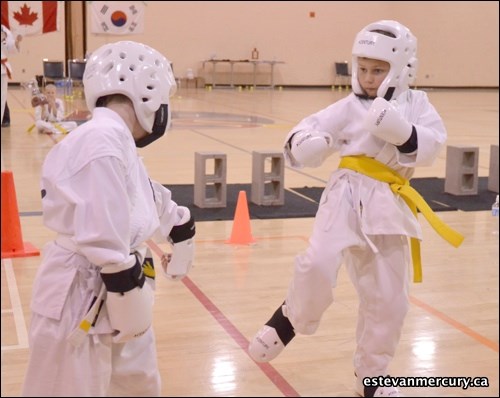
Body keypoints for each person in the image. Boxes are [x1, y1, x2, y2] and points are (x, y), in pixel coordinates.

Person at [248, 20, 464, 397]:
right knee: (316, 263)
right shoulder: (349, 106)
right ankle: (289, 318)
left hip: (391, 203)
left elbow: (433, 144)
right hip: (346, 195)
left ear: (401, 68)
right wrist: (304, 144)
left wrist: (404, 132)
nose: (367, 77)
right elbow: (309, 128)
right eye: (362, 68)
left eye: (377, 70)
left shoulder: (417, 104)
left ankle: (373, 378)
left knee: (390, 299)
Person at [22, 41, 196, 397]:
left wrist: (176, 223)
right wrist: (124, 283)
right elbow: (102, 232)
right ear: (146, 91)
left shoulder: (112, 139)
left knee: (137, 387)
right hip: (82, 293)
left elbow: (138, 192)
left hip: (118, 286)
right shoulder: (100, 140)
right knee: (68, 389)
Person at [1, 24, 21, 123]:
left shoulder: (4, 29)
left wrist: (16, 43)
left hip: (2, 69)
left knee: (2, 97)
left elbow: (10, 47)